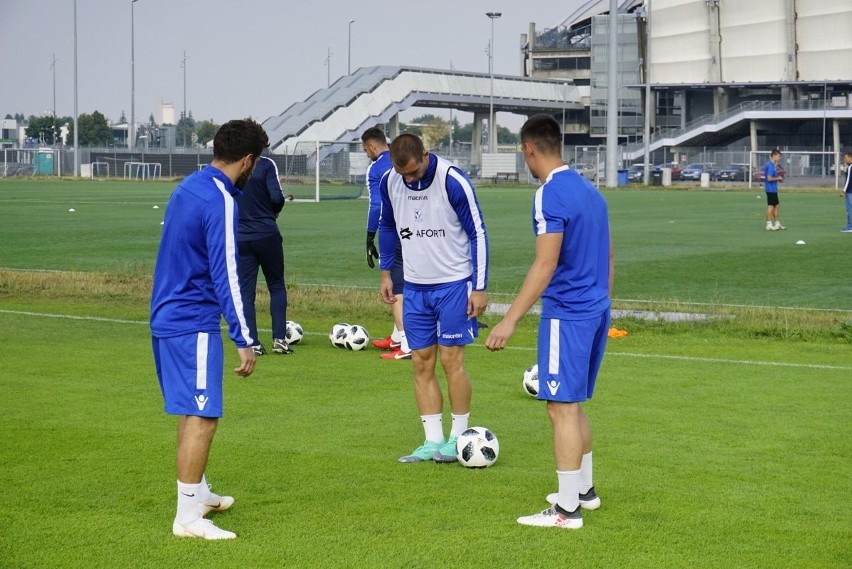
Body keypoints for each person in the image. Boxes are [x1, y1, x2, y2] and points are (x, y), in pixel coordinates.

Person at [485, 115, 613, 529]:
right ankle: (584, 492)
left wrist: (509, 320)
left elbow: (545, 263)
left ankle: (566, 512)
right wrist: (600, 301)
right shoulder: (592, 192)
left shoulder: (549, 195)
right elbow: (610, 257)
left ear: (528, 149)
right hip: (595, 309)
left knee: (561, 408)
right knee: (572, 405)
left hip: (568, 314)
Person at [151, 119, 267, 540]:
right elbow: (228, 274)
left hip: (166, 316)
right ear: (249, 160)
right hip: (192, 321)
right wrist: (244, 338)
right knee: (204, 414)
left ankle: (198, 494)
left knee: (190, 408)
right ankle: (187, 519)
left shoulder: (189, 185)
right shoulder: (221, 199)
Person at [377, 133, 489, 463]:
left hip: (454, 286)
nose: (409, 179)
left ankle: (458, 438)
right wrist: (386, 273)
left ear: (426, 155)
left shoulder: (452, 181)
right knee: (421, 362)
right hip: (414, 288)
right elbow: (387, 225)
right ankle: (431, 441)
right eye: (403, 174)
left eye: (413, 172)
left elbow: (478, 233)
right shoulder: (389, 181)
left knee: (451, 362)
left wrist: (479, 287)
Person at [235, 152, 292, 356]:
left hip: (240, 236)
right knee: (276, 285)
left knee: (245, 291)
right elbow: (277, 197)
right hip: (267, 233)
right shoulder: (266, 164)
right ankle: (279, 340)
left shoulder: (235, 164)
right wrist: (272, 211)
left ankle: (253, 343)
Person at [361, 127, 411, 360]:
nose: (366, 154)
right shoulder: (401, 157)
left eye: (365, 150)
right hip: (416, 229)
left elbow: (377, 206)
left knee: (395, 284)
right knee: (406, 281)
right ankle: (398, 337)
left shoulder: (377, 168)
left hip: (395, 230)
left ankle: (407, 344)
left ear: (372, 146)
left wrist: (370, 236)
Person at [764, 149, 785, 230]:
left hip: (773, 189)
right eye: (778, 156)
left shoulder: (773, 165)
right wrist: (777, 178)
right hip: (770, 189)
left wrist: (778, 179)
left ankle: (777, 223)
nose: (779, 158)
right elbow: (769, 178)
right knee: (771, 206)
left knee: (776, 206)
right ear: (774, 156)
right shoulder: (769, 165)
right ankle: (768, 224)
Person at [840, 151, 852, 233]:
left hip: (850, 191)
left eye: (846, 158)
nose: (844, 160)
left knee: (850, 209)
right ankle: (849, 225)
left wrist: (843, 191)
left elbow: (848, 180)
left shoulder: (851, 167)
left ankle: (850, 226)